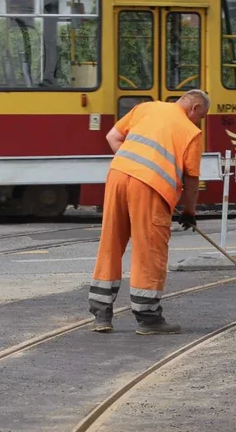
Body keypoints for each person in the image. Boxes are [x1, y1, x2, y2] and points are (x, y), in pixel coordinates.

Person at [88, 90, 210, 335]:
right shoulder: (191, 133)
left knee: (110, 243)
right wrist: (189, 211)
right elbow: (192, 180)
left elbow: (112, 136)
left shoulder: (146, 108)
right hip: (149, 188)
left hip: (117, 176)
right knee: (149, 249)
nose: (199, 122)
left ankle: (101, 315)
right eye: (202, 117)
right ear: (195, 108)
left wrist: (134, 164)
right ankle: (148, 318)